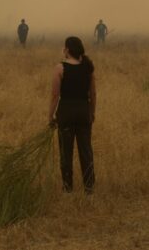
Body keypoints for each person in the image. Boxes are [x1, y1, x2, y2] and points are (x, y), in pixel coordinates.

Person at [48, 36, 97, 193]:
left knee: (65, 152)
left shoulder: (60, 68)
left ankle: (68, 188)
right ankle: (89, 188)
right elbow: (93, 94)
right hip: (83, 112)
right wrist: (92, 112)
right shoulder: (87, 67)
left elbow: (55, 95)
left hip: (66, 113)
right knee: (86, 151)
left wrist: (50, 116)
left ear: (67, 50)